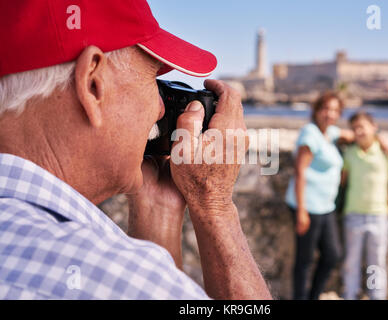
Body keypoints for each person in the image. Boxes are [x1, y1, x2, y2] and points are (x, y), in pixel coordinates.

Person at [0, 0, 271, 300]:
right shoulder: (115, 279)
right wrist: (215, 206)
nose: (159, 107)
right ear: (92, 84)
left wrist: (158, 209)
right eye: (153, 79)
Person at [285, 92, 354, 300]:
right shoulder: (310, 133)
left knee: (333, 255)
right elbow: (300, 172)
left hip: (326, 207)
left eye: (335, 110)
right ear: (316, 111)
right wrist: (302, 212)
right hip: (308, 206)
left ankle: (313, 296)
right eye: (326, 109)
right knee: (304, 260)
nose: (330, 114)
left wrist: (378, 139)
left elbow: (350, 135)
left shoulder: (329, 133)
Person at [341, 112, 388, 300]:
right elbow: (344, 181)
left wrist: (387, 204)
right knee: (351, 262)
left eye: (363, 126)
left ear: (374, 127)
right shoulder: (350, 153)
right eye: (355, 128)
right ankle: (349, 295)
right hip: (353, 215)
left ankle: (376, 296)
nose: (359, 131)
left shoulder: (386, 152)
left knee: (376, 264)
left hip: (378, 215)